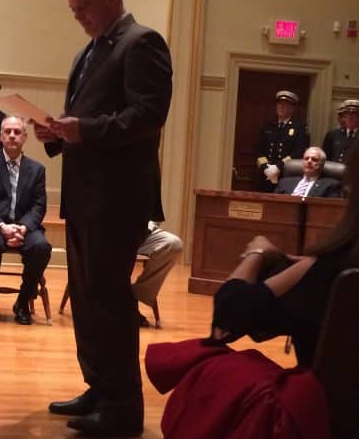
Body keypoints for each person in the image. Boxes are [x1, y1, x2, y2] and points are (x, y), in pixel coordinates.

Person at [34, 0, 172, 436]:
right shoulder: (88, 52)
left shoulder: (142, 43)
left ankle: (122, 409)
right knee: (89, 299)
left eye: (82, 7)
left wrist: (84, 130)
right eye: (73, 10)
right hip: (85, 195)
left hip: (118, 198)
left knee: (110, 301)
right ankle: (99, 385)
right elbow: (83, 118)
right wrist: (55, 132)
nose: (78, 17)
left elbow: (149, 116)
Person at [145, 143, 359, 439]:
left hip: (323, 419)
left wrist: (257, 253)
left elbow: (227, 322)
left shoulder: (334, 267)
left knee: (212, 368)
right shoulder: (326, 267)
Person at [0, 115, 52, 325]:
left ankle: (23, 301)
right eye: (8, 132)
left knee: (41, 247)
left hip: (25, 226)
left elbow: (38, 206)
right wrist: (3, 227)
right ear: (1, 136)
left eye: (17, 132)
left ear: (25, 137)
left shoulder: (37, 170)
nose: (12, 136)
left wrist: (23, 228)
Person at [256, 90, 310, 193]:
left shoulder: (299, 127)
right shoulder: (268, 126)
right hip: (265, 174)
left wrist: (279, 166)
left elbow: (299, 151)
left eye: (285, 105)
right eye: (279, 104)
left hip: (286, 174)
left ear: (292, 108)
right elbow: (259, 149)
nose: (281, 107)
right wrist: (265, 167)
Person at [132, 222, 183, 327]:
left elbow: (155, 215)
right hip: (108, 234)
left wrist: (148, 227)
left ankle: (134, 295)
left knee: (173, 244)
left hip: (142, 233)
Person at [274, 146, 342, 198]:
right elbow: (274, 204)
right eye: (306, 159)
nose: (309, 161)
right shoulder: (284, 182)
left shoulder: (331, 185)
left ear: (322, 164)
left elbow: (330, 210)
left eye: (314, 159)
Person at [322, 99, 359, 163]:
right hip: (334, 171)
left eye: (354, 114)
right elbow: (325, 158)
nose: (350, 117)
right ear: (343, 117)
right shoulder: (332, 135)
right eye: (347, 114)